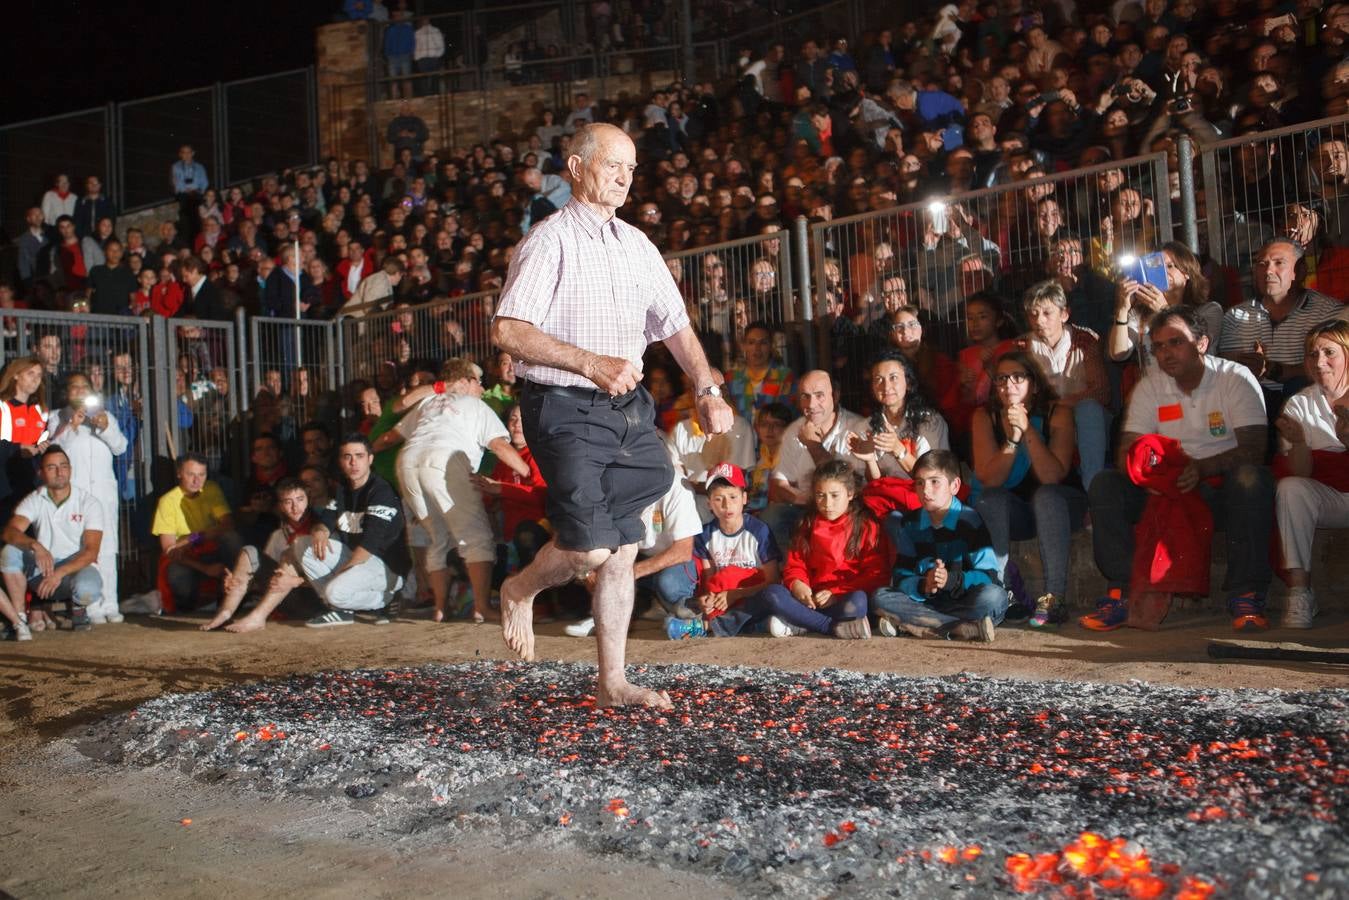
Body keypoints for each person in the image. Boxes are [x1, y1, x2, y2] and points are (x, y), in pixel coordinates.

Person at [491, 122, 733, 708]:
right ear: (575, 169)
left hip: (626, 406)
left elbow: (674, 325)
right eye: (612, 165)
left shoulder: (638, 246)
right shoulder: (549, 241)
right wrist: (590, 363)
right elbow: (507, 330)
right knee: (588, 551)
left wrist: (706, 385)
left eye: (631, 168)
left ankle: (612, 683)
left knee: (624, 545)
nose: (625, 178)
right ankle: (520, 587)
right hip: (563, 406)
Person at [1082, 306, 1274, 632]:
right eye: (1158, 346)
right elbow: (1128, 450)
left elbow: (1255, 449)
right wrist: (1148, 477)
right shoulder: (1150, 386)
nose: (1166, 353)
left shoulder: (1235, 377)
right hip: (1166, 485)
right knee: (1106, 483)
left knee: (1249, 477)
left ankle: (1247, 594)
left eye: (1176, 342)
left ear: (1202, 343)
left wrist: (1201, 468)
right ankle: (1123, 591)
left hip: (1217, 486)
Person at [373, 358, 530, 623]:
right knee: (476, 536)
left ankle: (440, 608)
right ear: (466, 382)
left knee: (437, 537)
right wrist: (527, 472)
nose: (482, 389)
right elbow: (499, 445)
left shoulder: (427, 403)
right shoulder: (475, 405)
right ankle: (481, 607)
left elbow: (388, 439)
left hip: (408, 463)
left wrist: (370, 451)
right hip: (444, 461)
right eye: (479, 383)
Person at [971, 351, 1085, 629]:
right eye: (1001, 379)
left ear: (1033, 383)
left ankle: (1055, 597)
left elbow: (1051, 476)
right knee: (989, 499)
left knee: (1046, 496)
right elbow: (991, 480)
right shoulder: (985, 416)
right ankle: (1003, 593)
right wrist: (1012, 438)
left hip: (1061, 505)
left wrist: (1028, 430)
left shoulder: (1057, 413)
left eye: (1018, 377)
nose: (1008, 385)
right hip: (1018, 511)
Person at [746, 459, 890, 639]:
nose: (827, 504)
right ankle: (830, 627)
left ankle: (802, 623)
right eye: (820, 495)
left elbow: (876, 575)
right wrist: (798, 584)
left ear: (851, 493)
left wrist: (836, 593)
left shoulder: (866, 526)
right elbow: (795, 564)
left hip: (842, 598)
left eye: (835, 495)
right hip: (811, 600)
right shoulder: (807, 523)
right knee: (773, 594)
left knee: (858, 601)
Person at [872, 449, 1005, 642]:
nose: (925, 491)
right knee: (880, 597)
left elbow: (990, 575)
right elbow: (901, 575)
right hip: (927, 602)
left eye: (935, 482)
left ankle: (922, 625)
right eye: (919, 483)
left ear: (955, 485)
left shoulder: (970, 522)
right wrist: (923, 584)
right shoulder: (910, 524)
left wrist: (951, 580)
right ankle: (959, 628)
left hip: (964, 601)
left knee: (994, 597)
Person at [287, 434, 411, 627]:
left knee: (334, 591)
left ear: (370, 459)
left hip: (385, 567)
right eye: (347, 457)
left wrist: (341, 574)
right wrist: (320, 531)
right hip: (358, 559)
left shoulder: (381, 491)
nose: (353, 462)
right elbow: (326, 519)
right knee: (303, 543)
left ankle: (386, 599)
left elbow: (370, 545)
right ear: (341, 462)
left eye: (359, 456)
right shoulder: (343, 489)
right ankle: (340, 610)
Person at [1272, 320, 1349, 629]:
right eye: (1312, 354)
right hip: (1330, 500)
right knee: (1290, 488)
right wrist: (1301, 441)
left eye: (1329, 352)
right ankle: (1300, 591)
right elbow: (1301, 473)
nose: (1320, 362)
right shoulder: (1300, 404)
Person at [569, 467, 704, 638]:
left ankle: (684, 612)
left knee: (668, 583)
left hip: (676, 559)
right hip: (635, 554)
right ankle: (608, 616)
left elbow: (683, 550)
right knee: (591, 566)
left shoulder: (677, 487)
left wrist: (629, 572)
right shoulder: (613, 483)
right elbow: (595, 533)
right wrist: (589, 571)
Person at [200, 477, 335, 633]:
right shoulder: (278, 535)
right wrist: (238, 583)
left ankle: (257, 617)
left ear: (309, 500)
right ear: (280, 506)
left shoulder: (322, 531)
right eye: (288, 502)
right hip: (286, 601)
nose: (295, 507)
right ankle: (225, 613)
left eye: (300, 499)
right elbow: (268, 583)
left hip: (317, 601)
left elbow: (336, 581)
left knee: (290, 552)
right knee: (248, 551)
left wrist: (296, 581)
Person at [665, 462, 782, 639]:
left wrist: (736, 594)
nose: (727, 505)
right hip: (723, 597)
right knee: (714, 586)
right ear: (709, 503)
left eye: (733, 497)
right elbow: (709, 578)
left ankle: (704, 627)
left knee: (742, 584)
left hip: (752, 594)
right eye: (719, 499)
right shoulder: (706, 535)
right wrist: (707, 599)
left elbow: (773, 580)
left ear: (744, 498)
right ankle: (746, 625)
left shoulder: (759, 531)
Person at [1219, 238, 1342, 403]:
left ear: (1300, 271)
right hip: (1252, 401)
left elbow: (1333, 367)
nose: (1268, 271)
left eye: (1279, 263)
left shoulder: (1328, 313)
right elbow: (1228, 368)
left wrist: (1271, 369)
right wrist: (1245, 366)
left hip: (1308, 403)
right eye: (1262, 264)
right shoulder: (1236, 316)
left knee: (1298, 386)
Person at [0, 446, 104, 636]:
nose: (59, 472)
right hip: (43, 568)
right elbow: (9, 532)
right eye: (52, 467)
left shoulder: (89, 502)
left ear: (71, 470)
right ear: (40, 473)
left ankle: (78, 609)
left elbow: (91, 552)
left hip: (73, 569)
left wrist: (59, 573)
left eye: (64, 466)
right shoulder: (35, 499)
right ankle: (20, 617)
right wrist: (35, 545)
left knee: (87, 589)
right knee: (8, 552)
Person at [1021, 280, 1112, 490]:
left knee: (1088, 409)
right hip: (1049, 422)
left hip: (1087, 423)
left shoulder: (1085, 340)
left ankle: (1093, 488)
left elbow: (1101, 392)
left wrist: (1060, 404)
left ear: (1064, 314)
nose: (1039, 320)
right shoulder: (1022, 347)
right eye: (1033, 314)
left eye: (1046, 313)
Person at [51, 372, 127, 624]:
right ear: (66, 392)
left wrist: (105, 427)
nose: (81, 391)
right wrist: (71, 426)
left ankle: (111, 603)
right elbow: (54, 451)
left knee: (107, 548)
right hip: (78, 497)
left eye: (86, 387)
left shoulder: (105, 416)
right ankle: (91, 605)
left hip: (104, 495)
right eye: (75, 387)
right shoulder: (56, 417)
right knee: (85, 548)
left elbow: (120, 447)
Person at [764, 369, 866, 549]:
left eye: (819, 395)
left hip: (847, 509)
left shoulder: (857, 427)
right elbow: (778, 484)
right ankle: (788, 573)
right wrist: (807, 500)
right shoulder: (793, 431)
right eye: (805, 396)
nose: (811, 404)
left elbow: (848, 484)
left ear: (835, 396)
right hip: (807, 504)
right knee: (773, 515)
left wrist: (813, 445)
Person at [150, 453, 244, 614]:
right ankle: (185, 610)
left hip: (210, 547)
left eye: (202, 474)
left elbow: (227, 524)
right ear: (179, 473)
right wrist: (205, 568)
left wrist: (194, 537)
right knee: (177, 573)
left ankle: (236, 594)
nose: (197, 480)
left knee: (231, 538)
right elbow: (170, 550)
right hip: (187, 557)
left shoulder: (211, 488)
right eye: (191, 474)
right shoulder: (167, 501)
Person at [848, 351, 949, 485]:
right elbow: (873, 484)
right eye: (878, 379)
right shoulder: (865, 427)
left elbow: (936, 478)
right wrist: (870, 461)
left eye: (893, 378)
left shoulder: (931, 422)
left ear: (909, 383)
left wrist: (898, 449)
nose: (886, 386)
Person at [171, 146, 209, 241]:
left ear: (193, 153)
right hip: (184, 196)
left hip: (196, 195)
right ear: (180, 154)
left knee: (198, 222)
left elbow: (204, 182)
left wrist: (198, 191)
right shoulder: (176, 167)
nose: (187, 155)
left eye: (189, 152)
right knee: (186, 223)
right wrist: (186, 189)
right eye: (184, 152)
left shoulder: (200, 167)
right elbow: (176, 183)